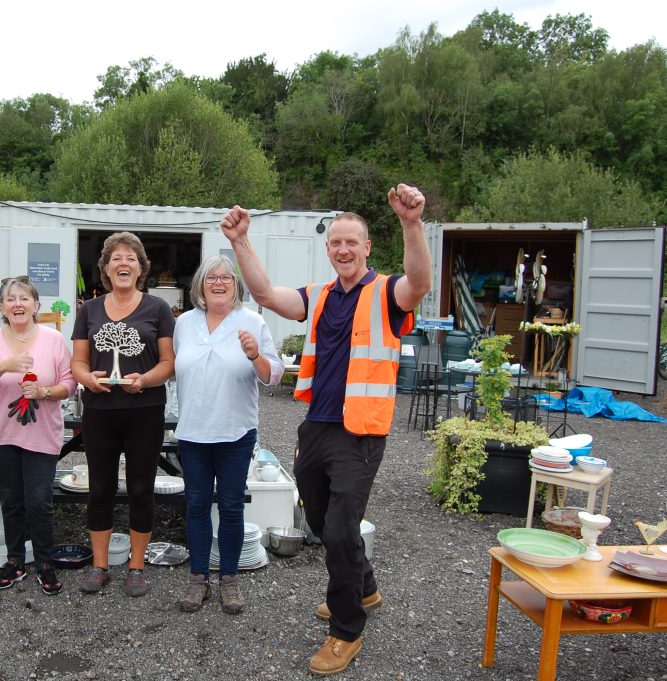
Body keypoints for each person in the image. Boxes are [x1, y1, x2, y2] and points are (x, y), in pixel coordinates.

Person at [219, 185, 431, 675]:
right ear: (328, 247)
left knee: (338, 530)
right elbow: (269, 294)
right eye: (335, 242)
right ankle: (365, 586)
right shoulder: (318, 296)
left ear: (366, 247)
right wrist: (241, 242)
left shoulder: (387, 292)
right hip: (316, 426)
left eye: (351, 242)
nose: (342, 249)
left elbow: (418, 283)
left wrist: (412, 223)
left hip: (359, 432)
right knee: (316, 519)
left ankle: (346, 628)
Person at [172, 255, 283, 614]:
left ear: (236, 285)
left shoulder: (252, 320)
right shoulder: (185, 323)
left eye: (226, 278)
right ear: (200, 285)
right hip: (192, 432)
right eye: (211, 278)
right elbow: (178, 367)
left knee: (232, 506)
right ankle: (198, 578)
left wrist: (255, 355)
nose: (219, 283)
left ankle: (230, 580)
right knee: (197, 504)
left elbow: (274, 374)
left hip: (235, 432)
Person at [71, 232, 175, 597]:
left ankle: (136, 565)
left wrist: (144, 380)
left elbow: (169, 363)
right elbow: (78, 362)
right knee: (99, 488)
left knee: (140, 488)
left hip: (144, 409)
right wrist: (86, 379)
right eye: (116, 257)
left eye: (131, 257)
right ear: (106, 268)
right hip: (99, 410)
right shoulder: (89, 311)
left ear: (141, 267)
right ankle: (99, 565)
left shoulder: (158, 309)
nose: (123, 263)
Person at [0, 276, 76, 595]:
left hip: (42, 434)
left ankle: (45, 562)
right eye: (11, 299)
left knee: (40, 500)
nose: (18, 303)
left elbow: (68, 384)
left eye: (24, 298)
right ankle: (15, 560)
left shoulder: (53, 340)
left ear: (36, 306)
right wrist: (6, 364)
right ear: (1, 307)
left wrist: (43, 390)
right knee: (12, 500)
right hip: (2, 432)